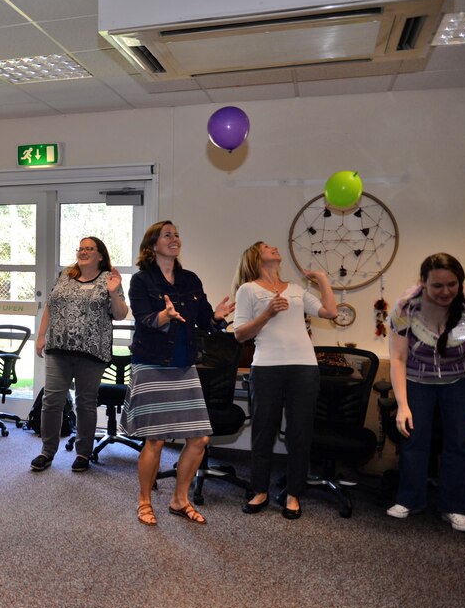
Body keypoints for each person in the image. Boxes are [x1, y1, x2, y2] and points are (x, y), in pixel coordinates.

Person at [121, 221, 233, 526]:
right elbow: (144, 319)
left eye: (177, 235)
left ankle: (179, 499)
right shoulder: (142, 281)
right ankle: (144, 501)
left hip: (184, 364)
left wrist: (218, 318)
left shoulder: (190, 280)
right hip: (152, 363)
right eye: (167, 235)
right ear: (152, 245)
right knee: (155, 440)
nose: (175, 239)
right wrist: (164, 315)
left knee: (200, 438)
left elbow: (205, 320)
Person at [385, 253, 465, 532]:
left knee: (459, 443)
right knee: (413, 437)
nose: (445, 291)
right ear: (423, 283)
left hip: (462, 380)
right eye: (437, 286)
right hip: (417, 378)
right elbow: (397, 359)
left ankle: (456, 507)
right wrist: (402, 404)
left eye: (452, 284)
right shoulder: (405, 307)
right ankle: (409, 500)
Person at [233, 241, 336, 520]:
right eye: (267, 247)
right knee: (263, 431)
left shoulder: (297, 290)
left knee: (299, 432)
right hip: (267, 367)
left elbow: (330, 312)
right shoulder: (248, 289)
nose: (274, 248)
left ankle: (293, 493)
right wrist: (268, 313)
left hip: (304, 367)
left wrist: (323, 280)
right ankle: (260, 491)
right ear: (256, 257)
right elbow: (240, 334)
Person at [31, 236, 128, 473]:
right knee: (52, 401)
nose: (83, 252)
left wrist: (114, 293)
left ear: (100, 255)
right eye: (81, 248)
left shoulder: (109, 279)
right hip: (58, 347)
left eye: (89, 249)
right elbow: (50, 306)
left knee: (86, 403)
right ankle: (47, 451)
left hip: (91, 351)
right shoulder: (65, 275)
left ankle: (83, 453)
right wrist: (41, 335)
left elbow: (120, 314)